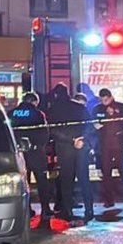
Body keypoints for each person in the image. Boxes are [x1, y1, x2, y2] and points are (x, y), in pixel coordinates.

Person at [42, 84, 86, 224]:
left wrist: (70, 140)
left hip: (64, 148)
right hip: (81, 146)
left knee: (66, 180)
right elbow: (89, 125)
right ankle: (89, 210)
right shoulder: (79, 107)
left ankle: (67, 210)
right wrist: (81, 140)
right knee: (83, 179)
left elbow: (52, 131)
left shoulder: (53, 109)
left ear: (56, 95)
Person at [7, 92, 49, 221]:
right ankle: (45, 209)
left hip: (18, 153)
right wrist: (40, 146)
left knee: (23, 183)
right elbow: (44, 133)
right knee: (42, 182)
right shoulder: (38, 114)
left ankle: (26, 210)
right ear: (34, 102)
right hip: (35, 153)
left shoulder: (11, 113)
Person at [92, 88, 123, 208]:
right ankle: (109, 200)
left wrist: (114, 116)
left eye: (106, 100)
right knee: (106, 174)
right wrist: (97, 124)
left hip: (119, 146)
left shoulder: (122, 107)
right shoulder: (97, 109)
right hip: (104, 147)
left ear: (110, 97)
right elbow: (92, 123)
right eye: (102, 100)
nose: (104, 102)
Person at [71, 92, 98, 220]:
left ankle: (88, 209)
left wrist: (79, 140)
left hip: (78, 149)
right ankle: (87, 209)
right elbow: (90, 129)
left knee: (81, 181)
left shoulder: (79, 112)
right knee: (81, 181)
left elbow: (90, 129)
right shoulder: (83, 112)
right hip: (77, 149)